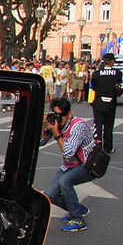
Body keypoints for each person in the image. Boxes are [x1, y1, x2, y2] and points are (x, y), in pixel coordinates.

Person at [40, 97, 96, 232]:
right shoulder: (56, 124)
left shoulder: (78, 126)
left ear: (69, 114)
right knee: (49, 195)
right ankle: (78, 209)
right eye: (55, 115)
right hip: (69, 166)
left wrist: (57, 134)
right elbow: (41, 142)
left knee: (65, 182)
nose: (57, 119)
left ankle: (78, 219)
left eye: (60, 116)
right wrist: (43, 126)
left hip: (87, 165)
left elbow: (69, 152)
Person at [89, 53, 121, 153]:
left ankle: (97, 146)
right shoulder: (118, 73)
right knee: (109, 126)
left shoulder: (97, 73)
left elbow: (93, 86)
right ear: (112, 62)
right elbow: (118, 88)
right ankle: (108, 147)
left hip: (98, 100)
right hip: (111, 101)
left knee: (97, 125)